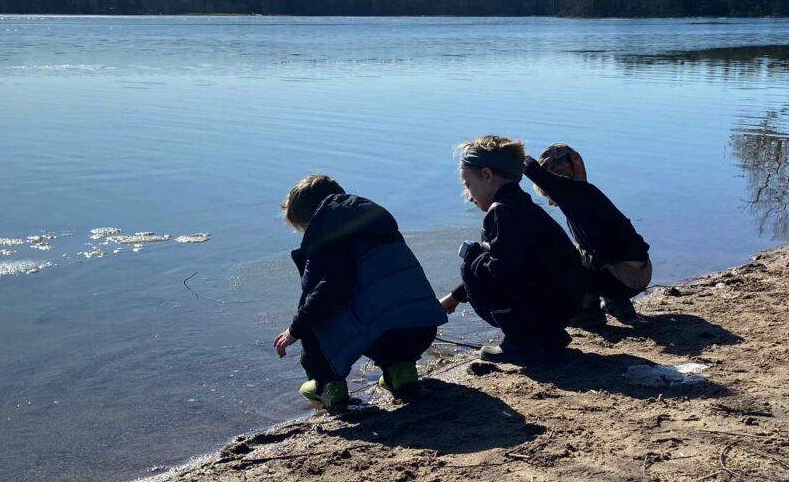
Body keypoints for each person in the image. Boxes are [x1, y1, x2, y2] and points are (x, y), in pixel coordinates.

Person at [273, 174, 447, 413]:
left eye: (304, 230)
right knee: (382, 292)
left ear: (309, 222)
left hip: (383, 331)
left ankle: (329, 387)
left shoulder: (328, 233)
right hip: (421, 328)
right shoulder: (376, 220)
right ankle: (401, 372)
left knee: (314, 308)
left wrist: (295, 330)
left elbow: (331, 289)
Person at [438, 136, 585, 362]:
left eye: (468, 185)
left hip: (546, 310)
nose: (468, 196)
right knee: (484, 258)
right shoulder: (521, 205)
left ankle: (521, 342)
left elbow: (501, 271)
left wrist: (473, 256)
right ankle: (548, 336)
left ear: (487, 175)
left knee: (470, 266)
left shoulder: (502, 214)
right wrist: (456, 296)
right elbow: (510, 261)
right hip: (564, 306)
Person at [523, 143, 652, 327]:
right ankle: (619, 305)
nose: (550, 201)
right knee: (584, 250)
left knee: (558, 258)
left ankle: (588, 312)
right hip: (642, 270)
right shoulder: (587, 192)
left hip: (623, 278)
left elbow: (532, 169)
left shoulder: (570, 194)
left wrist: (510, 152)